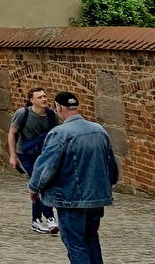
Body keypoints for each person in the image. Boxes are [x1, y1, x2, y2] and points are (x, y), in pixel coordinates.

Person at [29, 91, 119, 264]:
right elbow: (111, 165)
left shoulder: (59, 133)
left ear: (59, 107)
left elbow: (46, 166)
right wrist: (107, 184)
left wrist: (34, 187)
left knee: (76, 244)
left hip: (71, 199)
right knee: (91, 239)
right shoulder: (99, 130)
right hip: (96, 197)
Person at [9, 87, 62, 234]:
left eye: (45, 96)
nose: (44, 99)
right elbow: (12, 133)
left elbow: (58, 135)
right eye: (40, 97)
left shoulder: (52, 115)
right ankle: (50, 217)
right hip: (26, 154)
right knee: (38, 183)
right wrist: (13, 156)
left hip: (44, 155)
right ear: (31, 100)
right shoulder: (22, 114)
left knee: (43, 184)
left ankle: (36, 220)